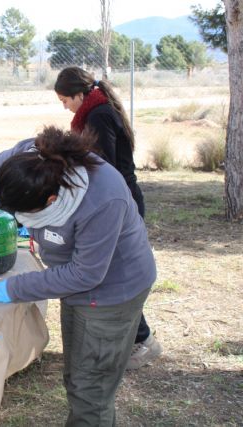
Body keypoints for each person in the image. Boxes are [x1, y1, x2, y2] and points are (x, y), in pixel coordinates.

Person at [0, 126, 157, 426]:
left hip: (114, 290)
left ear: (51, 200)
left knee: (92, 389)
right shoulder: (26, 161)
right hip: (79, 283)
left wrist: (15, 287)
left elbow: (85, 274)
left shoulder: (102, 198)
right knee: (79, 375)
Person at [54, 66, 162, 370]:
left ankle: (143, 341)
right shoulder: (95, 111)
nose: (64, 106)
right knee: (110, 272)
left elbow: (103, 167)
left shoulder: (98, 116)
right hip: (118, 202)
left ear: (78, 93)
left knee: (116, 274)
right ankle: (136, 338)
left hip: (118, 204)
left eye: (65, 99)